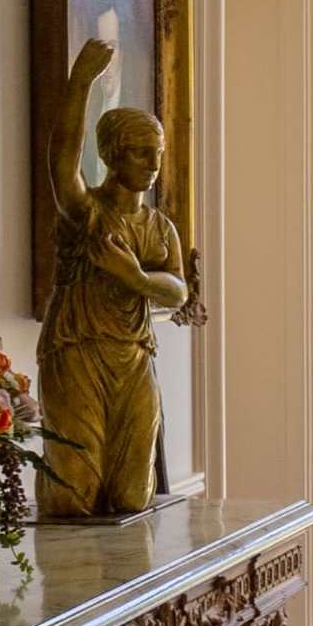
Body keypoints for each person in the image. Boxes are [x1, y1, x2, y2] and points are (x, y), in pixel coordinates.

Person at [38, 37, 191, 517]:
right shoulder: (87, 213)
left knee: (131, 494)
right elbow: (62, 164)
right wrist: (80, 83)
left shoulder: (159, 227)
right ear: (112, 155)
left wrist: (136, 277)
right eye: (141, 153)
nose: (154, 164)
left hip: (134, 355)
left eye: (157, 153)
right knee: (75, 492)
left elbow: (178, 291)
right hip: (78, 350)